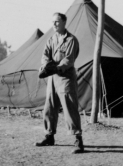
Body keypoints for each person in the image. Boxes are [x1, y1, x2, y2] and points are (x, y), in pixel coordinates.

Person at [34, 12, 84, 154]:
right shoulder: (51, 39)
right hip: (52, 78)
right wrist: (45, 66)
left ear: (63, 22)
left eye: (56, 22)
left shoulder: (71, 40)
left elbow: (68, 60)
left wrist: (56, 68)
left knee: (70, 108)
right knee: (49, 107)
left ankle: (78, 140)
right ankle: (49, 136)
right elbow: (45, 55)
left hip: (66, 77)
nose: (54, 24)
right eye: (53, 22)